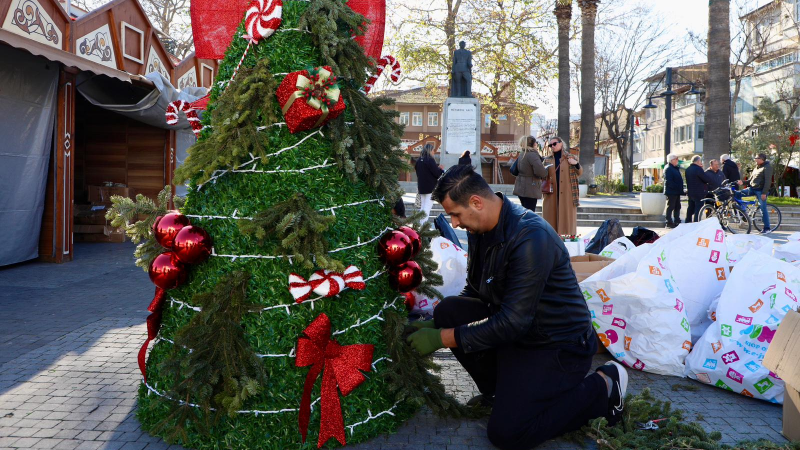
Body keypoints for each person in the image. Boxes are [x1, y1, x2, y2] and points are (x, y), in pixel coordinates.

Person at [405, 164, 627, 449]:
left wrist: (441, 337)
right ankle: (499, 394)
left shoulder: (530, 237)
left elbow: (514, 321)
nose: (455, 223)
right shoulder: (482, 228)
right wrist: (436, 323)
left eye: (455, 214)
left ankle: (603, 386)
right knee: (448, 310)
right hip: (518, 333)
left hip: (556, 345)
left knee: (508, 433)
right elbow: (475, 290)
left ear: (476, 202)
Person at [542, 137, 582, 235]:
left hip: (568, 193)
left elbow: (579, 172)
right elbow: (542, 175)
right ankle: (551, 238)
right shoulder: (547, 160)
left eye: (554, 144)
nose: (552, 147)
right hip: (551, 193)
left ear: (561, 144)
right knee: (550, 218)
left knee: (567, 219)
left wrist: (576, 164)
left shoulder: (570, 157)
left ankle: (567, 239)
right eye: (550, 145)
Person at [736, 151, 774, 234]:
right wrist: (743, 182)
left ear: (762, 159)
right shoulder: (756, 167)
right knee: (737, 194)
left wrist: (764, 193)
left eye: (756, 158)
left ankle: (767, 228)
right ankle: (744, 213)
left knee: (763, 208)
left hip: (761, 191)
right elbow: (750, 180)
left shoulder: (767, 167)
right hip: (752, 189)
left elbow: (768, 181)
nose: (755, 159)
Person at [512, 136, 548, 212]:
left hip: (521, 187)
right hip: (531, 188)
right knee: (530, 214)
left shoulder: (522, 153)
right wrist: (546, 172)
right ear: (533, 144)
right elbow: (540, 171)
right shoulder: (532, 155)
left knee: (525, 212)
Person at [415, 146, 444, 222]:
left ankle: (419, 224)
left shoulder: (418, 161)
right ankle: (422, 225)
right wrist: (440, 169)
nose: (434, 152)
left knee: (423, 206)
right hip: (430, 187)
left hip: (421, 186)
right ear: (430, 150)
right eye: (433, 150)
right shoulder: (430, 160)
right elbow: (437, 174)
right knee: (427, 207)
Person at [684, 155, 712, 223]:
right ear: (698, 161)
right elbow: (705, 179)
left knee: (690, 207)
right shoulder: (698, 169)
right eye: (700, 161)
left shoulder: (688, 169)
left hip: (691, 192)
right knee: (698, 209)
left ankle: (688, 221)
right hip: (699, 192)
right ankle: (696, 222)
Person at [664, 154, 684, 228]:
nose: (677, 160)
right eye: (676, 159)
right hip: (672, 191)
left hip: (676, 191)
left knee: (677, 206)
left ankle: (677, 220)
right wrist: (676, 187)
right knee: (671, 206)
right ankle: (669, 221)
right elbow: (669, 181)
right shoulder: (669, 168)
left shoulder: (675, 168)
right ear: (671, 160)